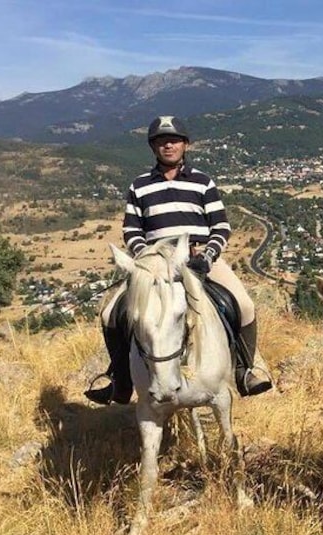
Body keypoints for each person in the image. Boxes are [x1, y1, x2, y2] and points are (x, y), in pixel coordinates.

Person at [85, 115, 273, 405]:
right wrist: (145, 258)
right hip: (155, 263)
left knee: (245, 305)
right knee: (111, 313)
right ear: (153, 147)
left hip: (199, 256)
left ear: (185, 145)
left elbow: (221, 226)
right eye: (161, 141)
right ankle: (120, 380)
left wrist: (208, 256)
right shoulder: (139, 186)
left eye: (173, 140)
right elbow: (132, 229)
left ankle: (245, 371)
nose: (168, 145)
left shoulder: (202, 182)